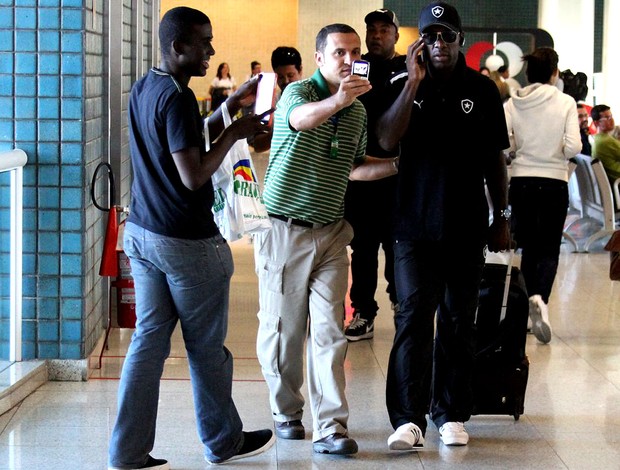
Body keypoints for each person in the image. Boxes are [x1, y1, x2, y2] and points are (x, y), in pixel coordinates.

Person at [108, 7, 275, 469]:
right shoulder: (178, 98)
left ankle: (126, 451)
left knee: (148, 342)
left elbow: (182, 142)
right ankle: (223, 441)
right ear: (178, 47)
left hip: (142, 233)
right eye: (204, 42)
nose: (212, 51)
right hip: (185, 243)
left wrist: (227, 109)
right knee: (206, 350)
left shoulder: (146, 86)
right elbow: (193, 174)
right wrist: (238, 130)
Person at [254, 23, 397, 455]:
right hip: (284, 229)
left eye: (354, 52)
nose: (349, 59)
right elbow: (300, 121)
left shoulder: (356, 112)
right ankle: (286, 412)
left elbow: (355, 165)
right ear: (319, 58)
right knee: (283, 334)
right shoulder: (299, 94)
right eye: (338, 52)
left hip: (332, 233)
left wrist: (399, 165)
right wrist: (340, 98)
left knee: (330, 333)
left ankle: (332, 426)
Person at [377, 1, 511, 449]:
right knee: (413, 318)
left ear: (461, 42)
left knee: (458, 320)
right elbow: (385, 138)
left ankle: (451, 412)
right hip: (412, 225)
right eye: (431, 36)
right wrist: (412, 82)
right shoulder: (402, 83)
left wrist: (502, 217)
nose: (439, 44)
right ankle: (407, 419)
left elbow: (495, 161)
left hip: (466, 225)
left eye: (447, 36)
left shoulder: (484, 90)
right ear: (420, 42)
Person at [504, 47, 581, 345]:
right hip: (553, 183)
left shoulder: (513, 103)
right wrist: (556, 153)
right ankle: (540, 299)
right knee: (548, 247)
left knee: (528, 248)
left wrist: (519, 151)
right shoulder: (565, 102)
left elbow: (504, 144)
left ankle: (525, 307)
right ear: (554, 73)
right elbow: (574, 146)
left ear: (528, 73)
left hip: (521, 182)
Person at [343, 8, 405, 341]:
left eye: (384, 30)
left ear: (396, 35)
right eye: (372, 30)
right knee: (363, 247)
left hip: (397, 175)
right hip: (360, 175)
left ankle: (400, 303)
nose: (377, 35)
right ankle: (363, 311)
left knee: (398, 246)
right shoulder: (355, 69)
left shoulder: (408, 70)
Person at [250, 47, 304, 154]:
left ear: (300, 70)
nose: (286, 81)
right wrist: (280, 130)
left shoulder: (314, 100)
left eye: (290, 75)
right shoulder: (268, 103)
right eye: (280, 77)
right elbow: (258, 146)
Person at [591, 104, 620, 184]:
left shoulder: (598, 139)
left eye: (611, 116)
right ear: (596, 123)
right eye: (607, 118)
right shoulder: (605, 141)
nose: (612, 120)